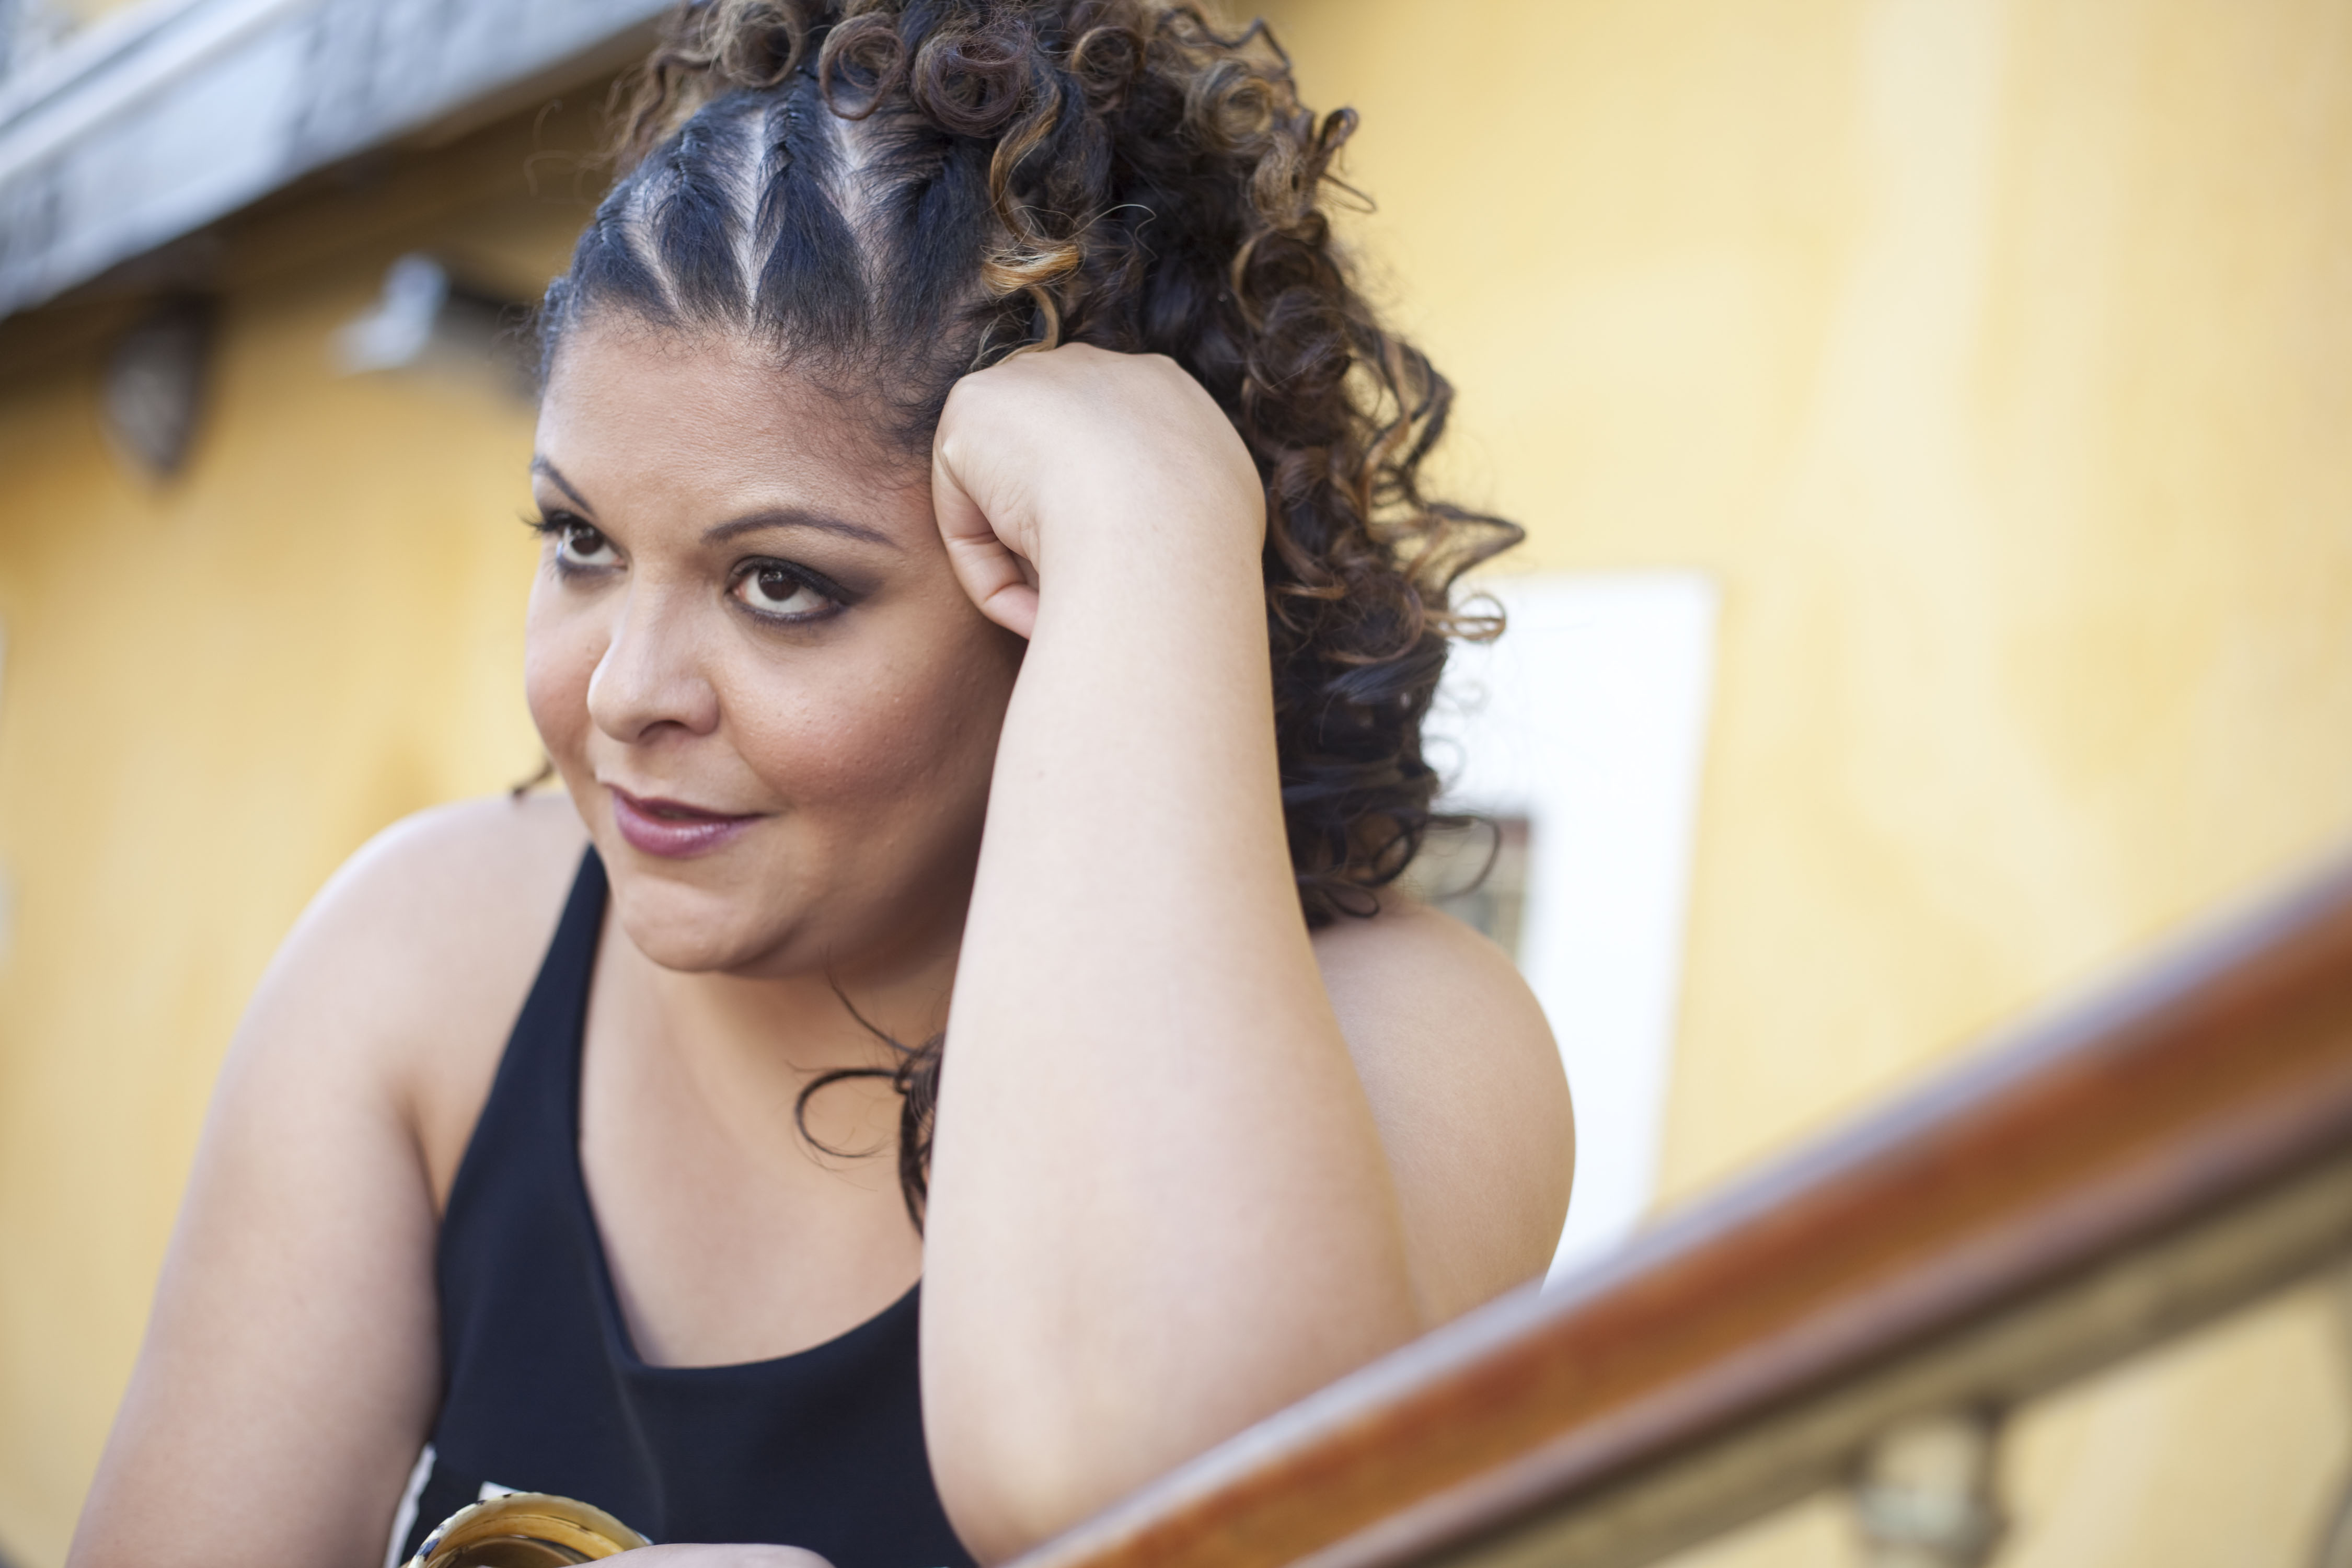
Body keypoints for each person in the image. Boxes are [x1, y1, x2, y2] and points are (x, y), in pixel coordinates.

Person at [66, 3, 1574, 1566]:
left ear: (1047, 594)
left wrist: (1147, 518)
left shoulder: (1409, 1038)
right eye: (579, 542)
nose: (625, 694)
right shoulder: (423, 959)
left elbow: (1162, 1482)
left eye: (781, 584)